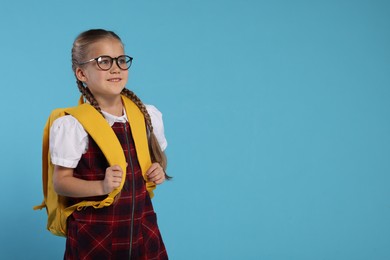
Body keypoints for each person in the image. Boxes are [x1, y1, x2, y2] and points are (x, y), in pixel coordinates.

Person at [50, 29, 169, 259]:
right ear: (82, 73)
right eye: (103, 61)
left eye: (121, 60)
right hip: (96, 235)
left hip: (141, 229)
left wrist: (157, 171)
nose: (115, 68)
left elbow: (157, 160)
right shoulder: (73, 125)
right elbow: (61, 182)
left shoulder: (146, 115)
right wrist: (101, 187)